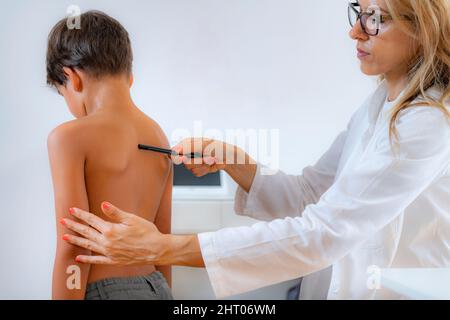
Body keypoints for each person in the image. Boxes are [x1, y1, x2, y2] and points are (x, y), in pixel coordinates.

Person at [61, 0, 449, 299]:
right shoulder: (379, 104)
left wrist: (164, 247)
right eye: (357, 13)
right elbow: (312, 194)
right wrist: (233, 162)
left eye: (375, 18)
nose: (356, 33)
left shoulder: (429, 122)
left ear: (423, 27)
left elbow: (323, 232)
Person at [47, 10, 173, 300]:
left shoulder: (68, 137)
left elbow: (74, 245)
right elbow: (162, 242)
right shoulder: (158, 136)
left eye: (61, 92)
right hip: (158, 287)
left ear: (72, 77)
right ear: (130, 76)